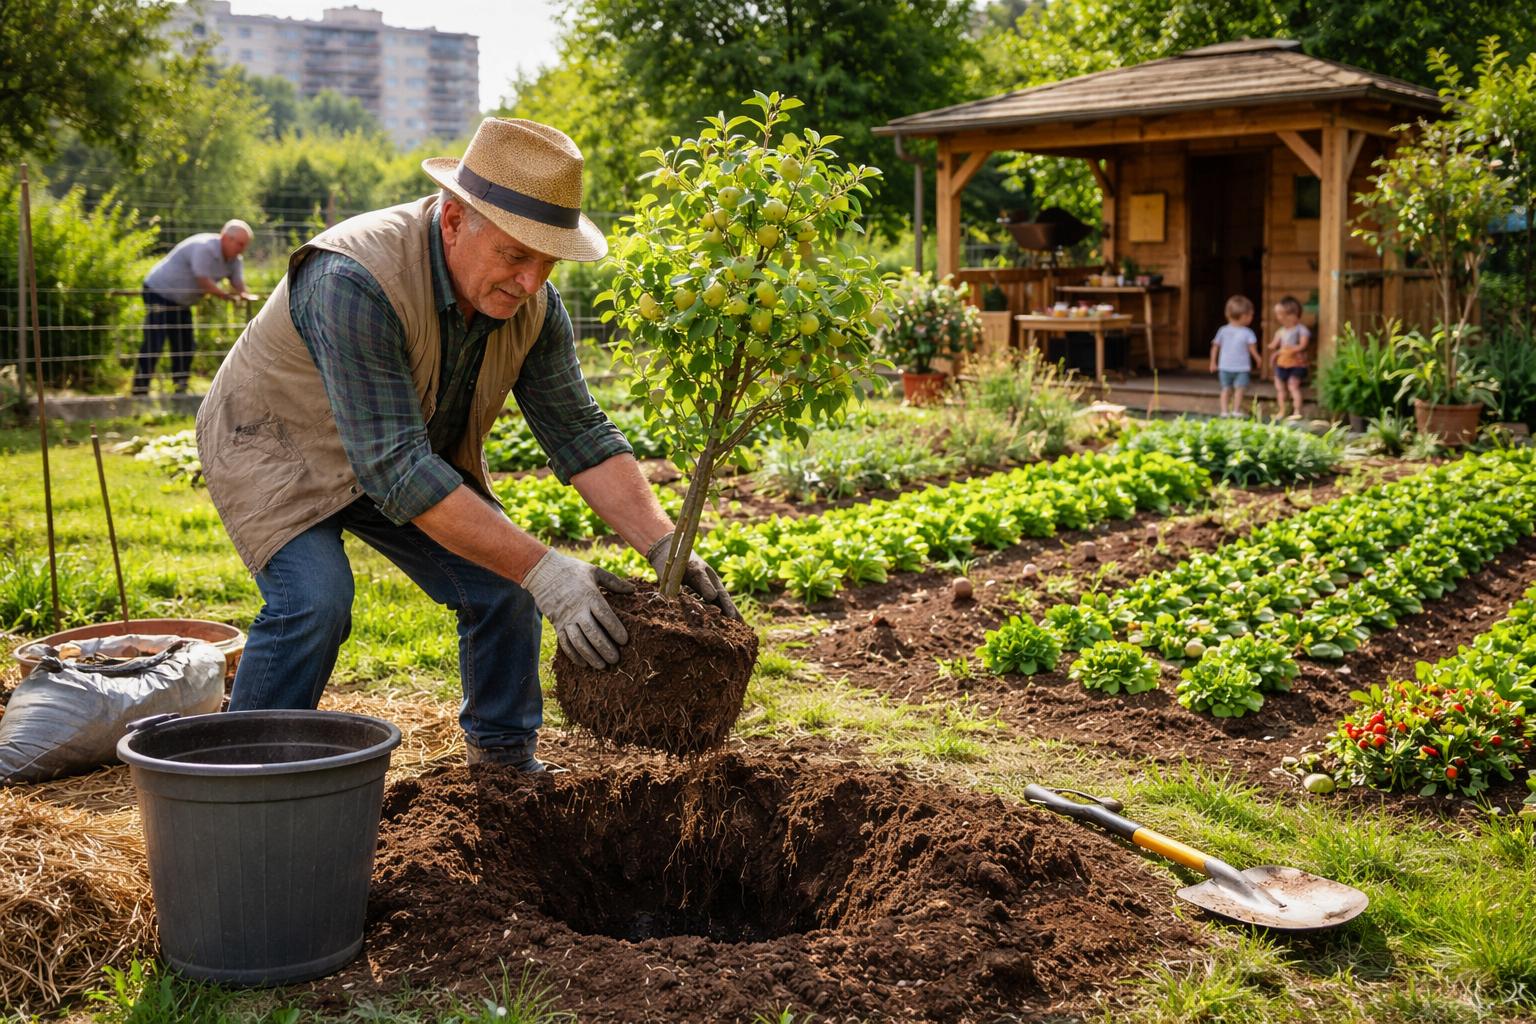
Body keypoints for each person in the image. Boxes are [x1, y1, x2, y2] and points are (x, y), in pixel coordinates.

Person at [195, 117, 738, 773]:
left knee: (504, 585)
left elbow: (581, 434)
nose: (531, 282)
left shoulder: (535, 306)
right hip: (277, 443)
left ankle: (504, 766)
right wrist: (546, 571)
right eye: (515, 255)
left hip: (400, 445)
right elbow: (397, 472)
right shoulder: (354, 277)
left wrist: (662, 542)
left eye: (548, 262)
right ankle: (244, 776)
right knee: (314, 600)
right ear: (453, 220)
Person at [132, 220, 258, 396]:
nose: (242, 249)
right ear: (225, 238)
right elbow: (203, 280)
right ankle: (140, 390)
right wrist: (224, 295)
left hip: (182, 301)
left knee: (185, 343)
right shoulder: (204, 248)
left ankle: (180, 387)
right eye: (240, 244)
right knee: (155, 341)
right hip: (158, 291)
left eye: (245, 245)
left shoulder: (235, 259)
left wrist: (244, 293)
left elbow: (236, 281)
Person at [1208, 294, 1260, 418]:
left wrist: (1257, 358)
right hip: (1225, 367)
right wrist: (1213, 362)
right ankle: (1224, 411)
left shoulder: (1247, 332)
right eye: (1251, 315)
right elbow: (1215, 346)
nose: (1252, 317)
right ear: (1244, 316)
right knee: (1227, 389)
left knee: (1239, 389)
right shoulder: (1223, 331)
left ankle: (1235, 410)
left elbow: (1251, 348)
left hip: (1241, 368)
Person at [1267, 295, 1311, 420]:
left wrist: (1290, 349)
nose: (1278, 317)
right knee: (1280, 388)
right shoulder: (1280, 331)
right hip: (1282, 363)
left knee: (1293, 386)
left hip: (1296, 364)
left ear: (1293, 315)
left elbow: (1303, 345)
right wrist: (1273, 347)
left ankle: (1297, 410)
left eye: (1281, 314)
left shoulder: (1301, 330)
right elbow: (1275, 344)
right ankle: (1282, 411)